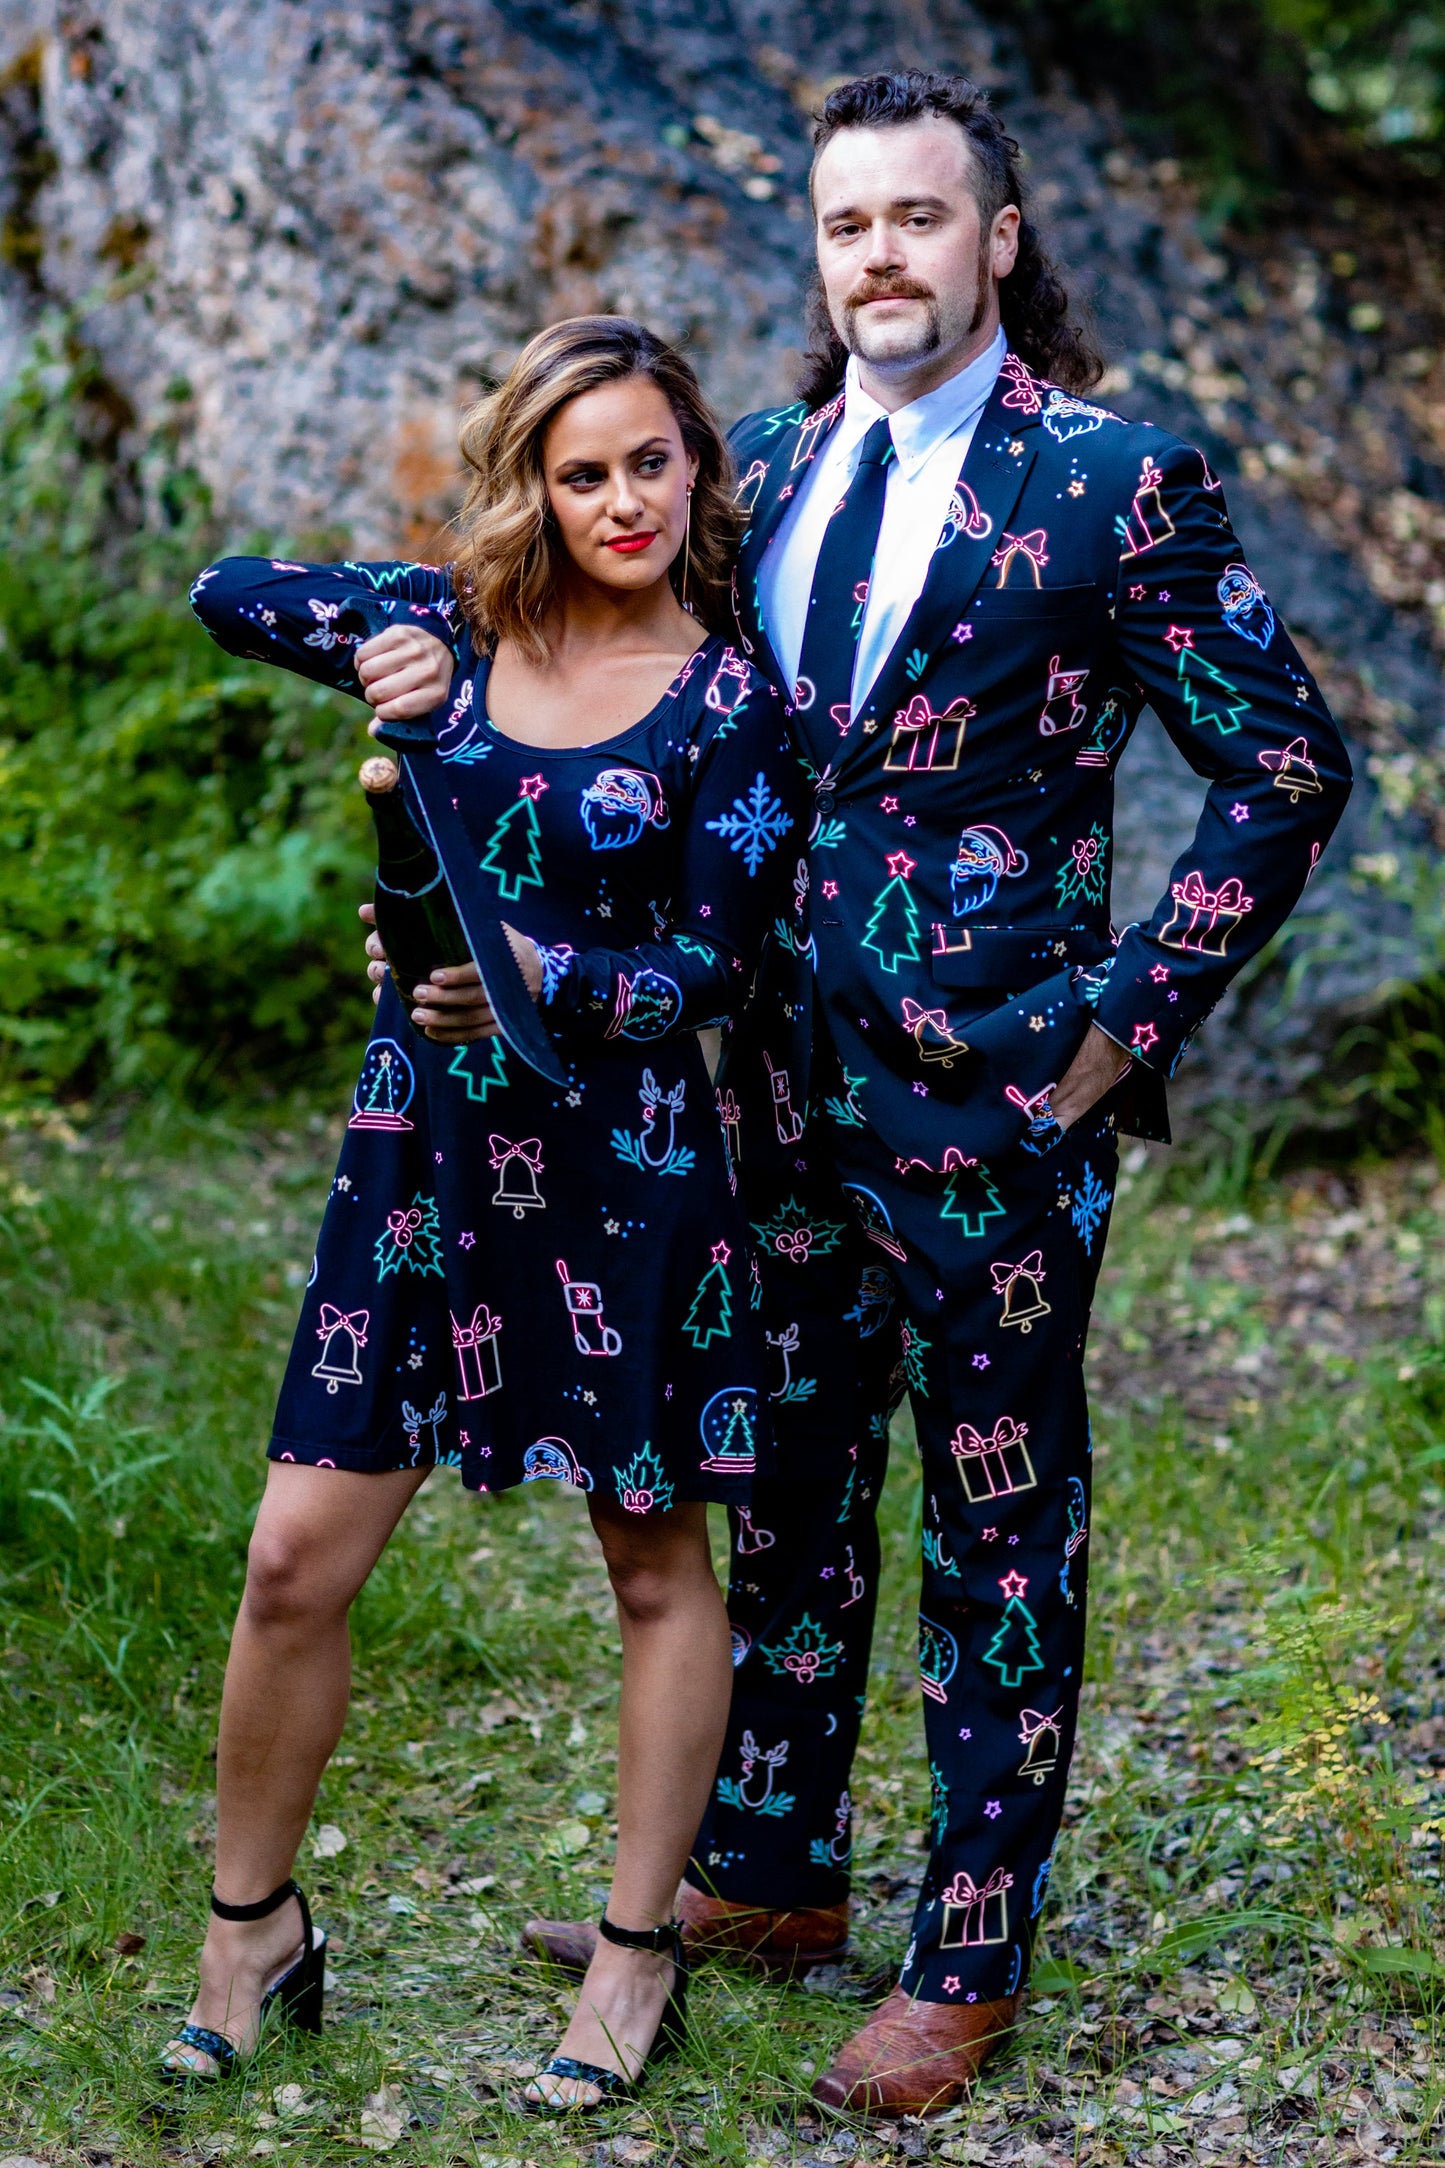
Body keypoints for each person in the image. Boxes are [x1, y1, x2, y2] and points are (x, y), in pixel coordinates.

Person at [394, 71, 1354, 2113]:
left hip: (1003, 1108)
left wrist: (1130, 1017)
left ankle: (967, 1954)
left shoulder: (1113, 482)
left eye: (921, 217)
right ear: (819, 253)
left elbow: (1285, 761)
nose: (883, 257)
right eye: (849, 226)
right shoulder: (757, 469)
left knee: (1001, 1519)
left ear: (996, 238)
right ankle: (767, 1871)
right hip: (771, 1091)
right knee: (793, 1488)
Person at [169, 318, 804, 2111]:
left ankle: (634, 1953)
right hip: (421, 1161)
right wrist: (406, 643)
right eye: (578, 472)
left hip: (626, 1169)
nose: (620, 502)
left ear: (698, 471)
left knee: (653, 1565)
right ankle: (250, 1932)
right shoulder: (454, 631)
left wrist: (544, 973)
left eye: (648, 463)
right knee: (293, 1559)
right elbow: (228, 593)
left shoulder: (729, 703)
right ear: (533, 484)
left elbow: (716, 967)